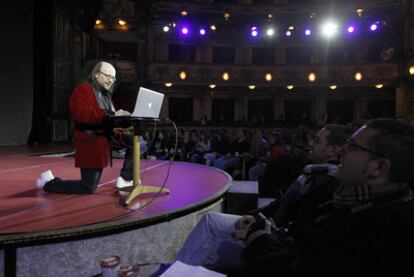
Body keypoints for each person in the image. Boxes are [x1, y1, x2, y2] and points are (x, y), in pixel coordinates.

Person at [242, 118, 414, 276]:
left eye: (352, 147)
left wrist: (259, 238)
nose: (342, 150)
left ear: (378, 167)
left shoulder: (386, 231)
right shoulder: (353, 201)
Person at [175, 124, 352, 274]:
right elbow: (281, 204)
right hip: (266, 224)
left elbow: (298, 235)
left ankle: (178, 273)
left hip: (275, 238)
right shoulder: (311, 173)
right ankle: (176, 271)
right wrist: (254, 216)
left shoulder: (327, 184)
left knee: (214, 249)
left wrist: (257, 231)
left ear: (333, 150)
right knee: (210, 220)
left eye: (318, 141)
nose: (311, 143)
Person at [36, 61, 134, 194]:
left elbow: (109, 119)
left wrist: (124, 120)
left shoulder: (106, 96)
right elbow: (83, 114)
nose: (111, 80)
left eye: (113, 78)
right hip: (90, 141)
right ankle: (49, 183)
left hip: (105, 138)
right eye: (108, 76)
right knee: (87, 187)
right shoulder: (83, 89)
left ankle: (125, 178)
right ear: (96, 75)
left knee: (135, 140)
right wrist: (114, 114)